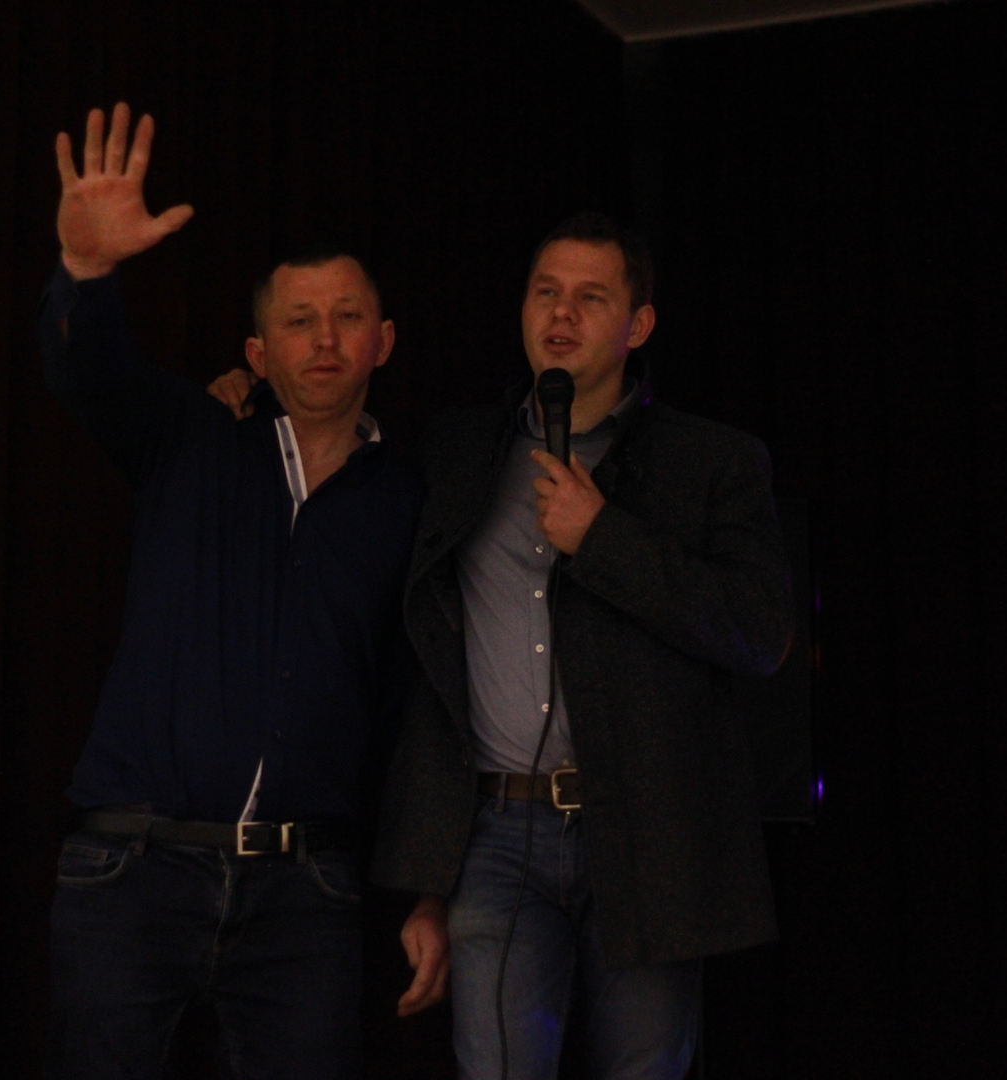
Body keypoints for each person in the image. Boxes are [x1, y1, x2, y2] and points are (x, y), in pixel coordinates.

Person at [38, 102, 424, 1080]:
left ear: (384, 339)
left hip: (307, 889)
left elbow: (420, 707)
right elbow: (90, 371)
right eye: (297, 321)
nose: (324, 338)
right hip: (134, 870)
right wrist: (86, 269)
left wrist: (424, 887)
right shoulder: (189, 440)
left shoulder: (413, 502)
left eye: (347, 317)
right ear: (258, 353)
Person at [370, 213, 794, 1080]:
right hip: (495, 833)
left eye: (590, 298)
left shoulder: (712, 462)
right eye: (545, 292)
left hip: (652, 836)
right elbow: (425, 666)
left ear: (638, 325)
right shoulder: (457, 449)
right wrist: (245, 401)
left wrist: (602, 538)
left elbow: (760, 630)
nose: (560, 314)